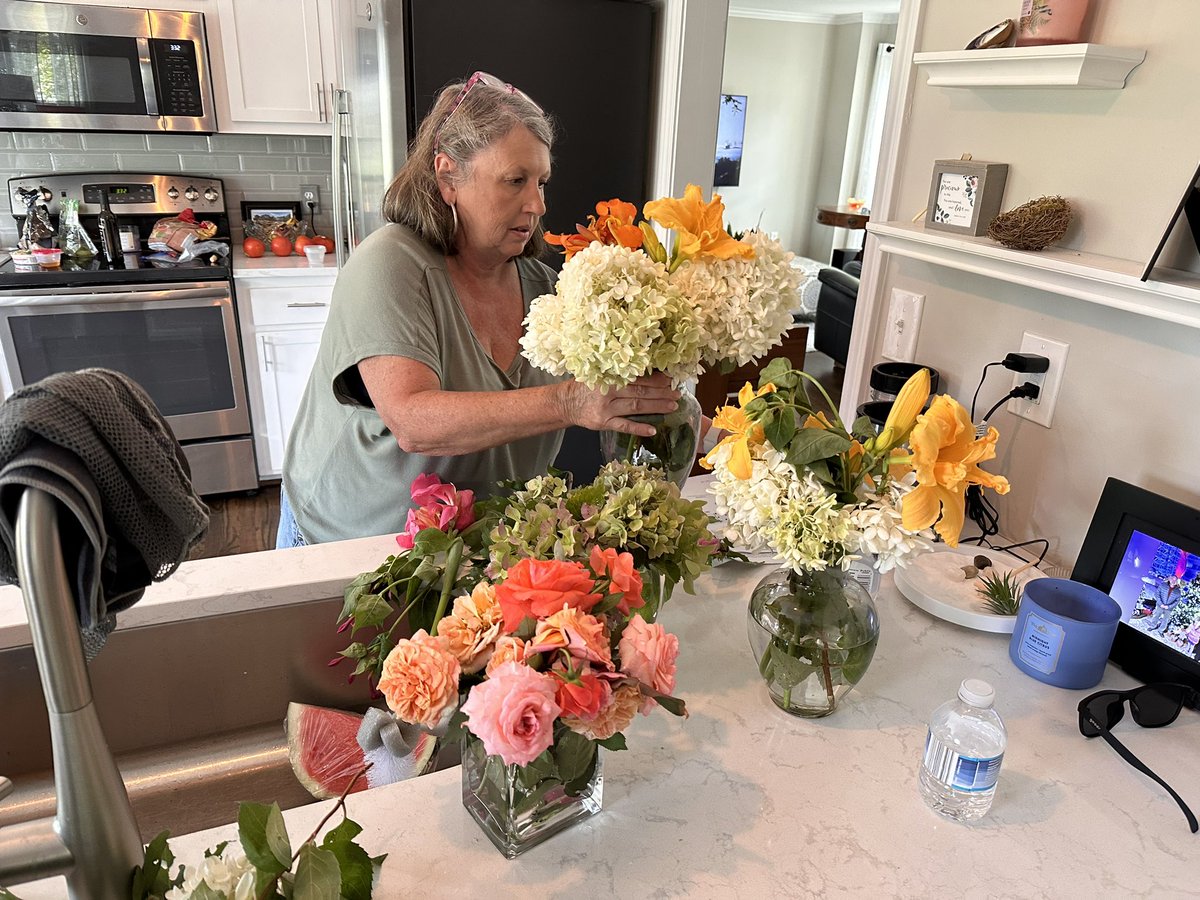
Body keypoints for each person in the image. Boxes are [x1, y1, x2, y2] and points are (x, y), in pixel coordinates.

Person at [279, 72, 678, 546]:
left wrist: (732, 441)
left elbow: (621, 393)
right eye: (515, 181)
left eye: (542, 182)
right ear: (449, 176)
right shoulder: (391, 263)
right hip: (349, 543)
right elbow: (412, 421)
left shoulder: (547, 291)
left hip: (475, 552)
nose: (537, 204)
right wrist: (570, 402)